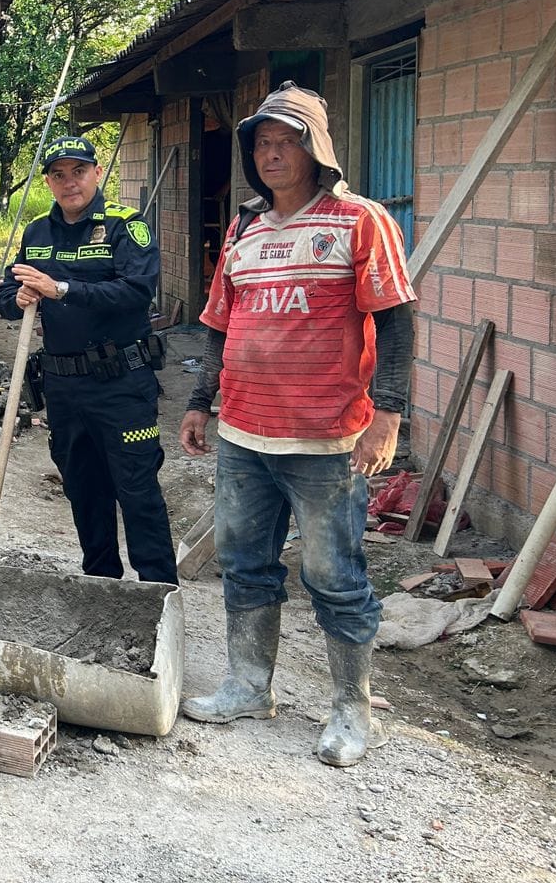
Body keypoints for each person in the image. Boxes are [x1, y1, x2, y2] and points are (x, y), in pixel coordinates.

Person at [178, 82, 415, 768]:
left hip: (327, 439)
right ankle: (249, 687)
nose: (273, 154)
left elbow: (396, 325)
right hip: (243, 434)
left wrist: (388, 415)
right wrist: (199, 400)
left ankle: (352, 711)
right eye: (262, 144)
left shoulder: (360, 220)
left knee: (333, 575)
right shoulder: (244, 228)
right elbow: (219, 324)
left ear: (316, 150)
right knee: (245, 564)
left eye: (287, 141)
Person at [0, 133, 177, 584]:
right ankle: (100, 587)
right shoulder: (37, 231)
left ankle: (158, 595)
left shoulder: (124, 225)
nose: (69, 182)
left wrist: (61, 289)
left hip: (121, 386)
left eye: (78, 171)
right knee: (84, 491)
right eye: (58, 174)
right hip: (64, 389)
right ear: (48, 182)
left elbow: (137, 291)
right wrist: (16, 299)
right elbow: (5, 290)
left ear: (97, 173)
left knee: (137, 491)